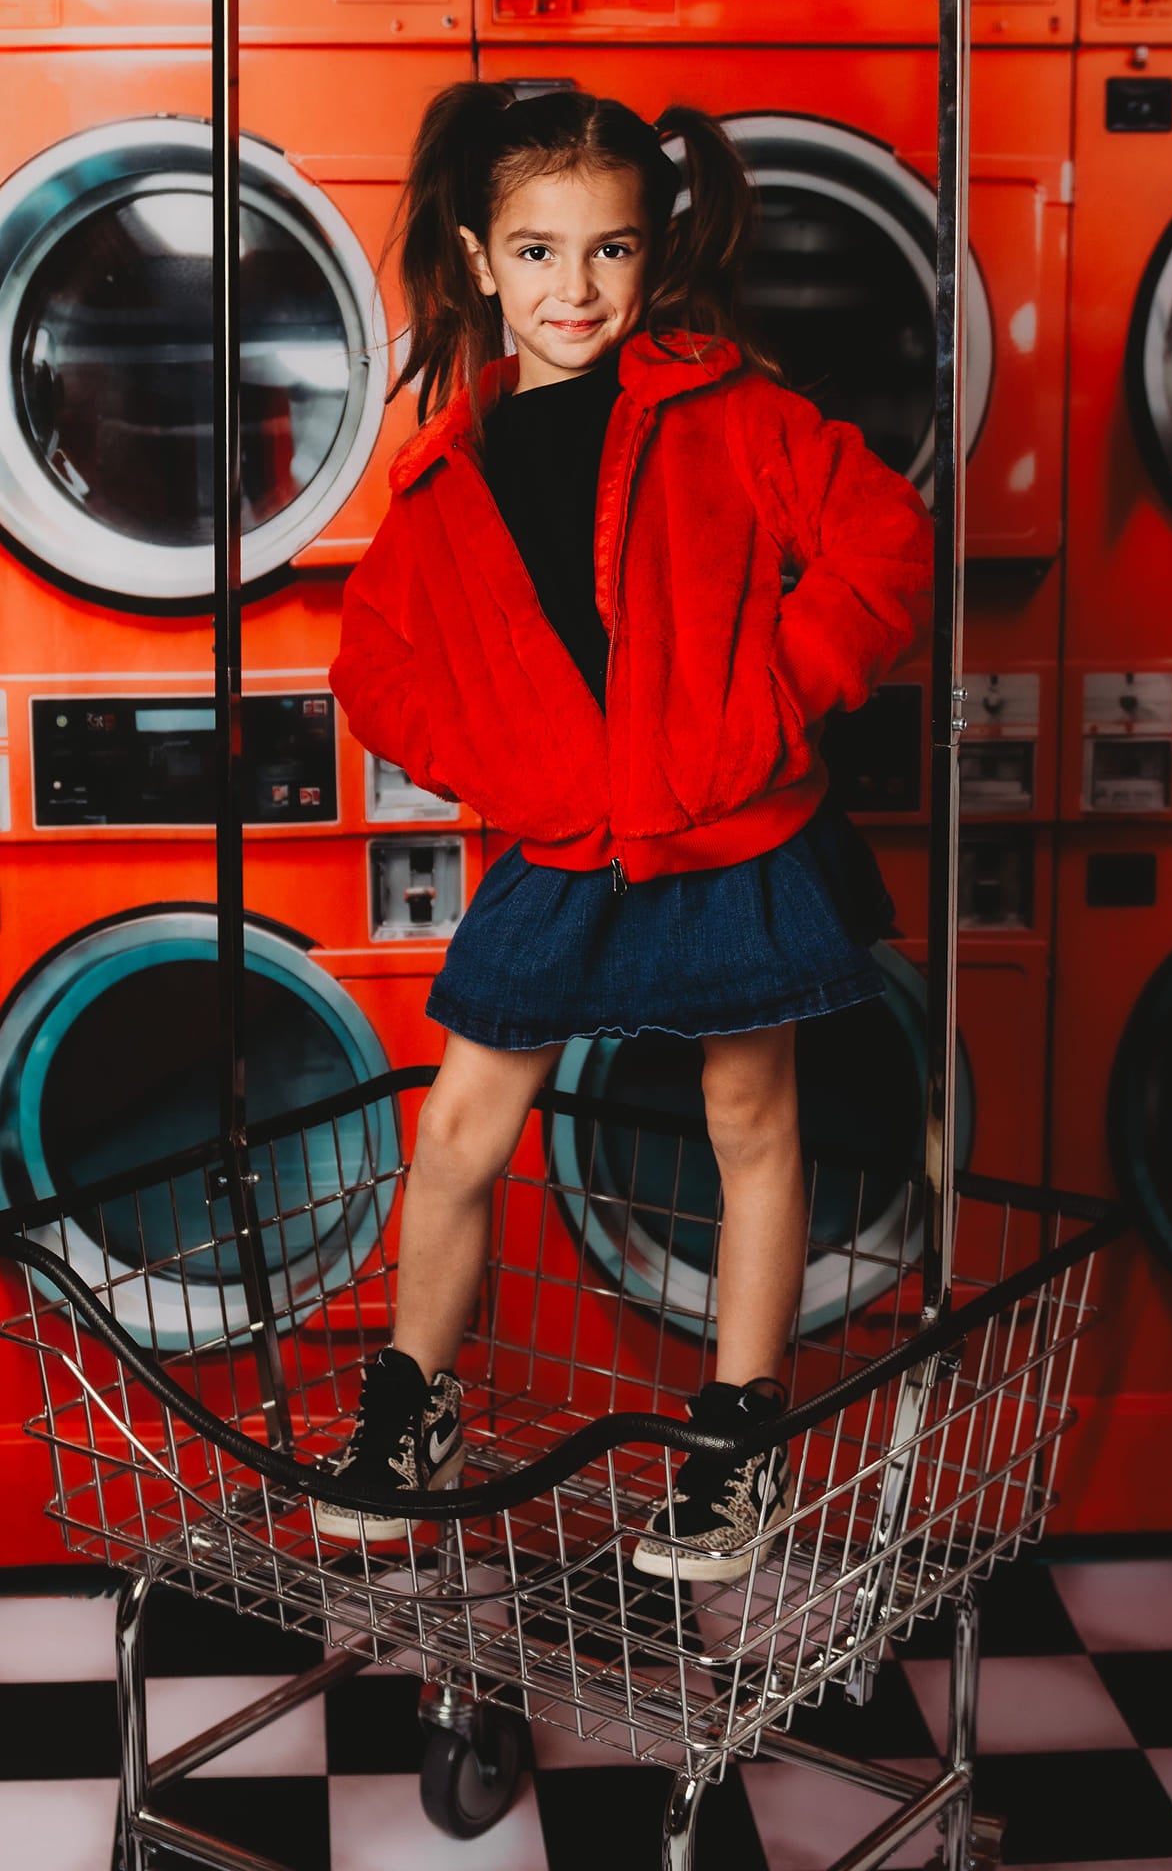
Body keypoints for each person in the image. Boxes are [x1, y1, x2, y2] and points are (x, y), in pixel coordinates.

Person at [317, 82, 933, 1582]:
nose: (572, 289)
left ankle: (732, 1444)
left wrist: (768, 702)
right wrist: (523, 771)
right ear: (475, 259)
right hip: (567, 844)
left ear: (652, 259)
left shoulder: (733, 414)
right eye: (535, 253)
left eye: (607, 252)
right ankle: (413, 1409)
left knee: (752, 1124)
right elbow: (373, 670)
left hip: (735, 828)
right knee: (459, 1129)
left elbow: (882, 547)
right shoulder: (445, 474)